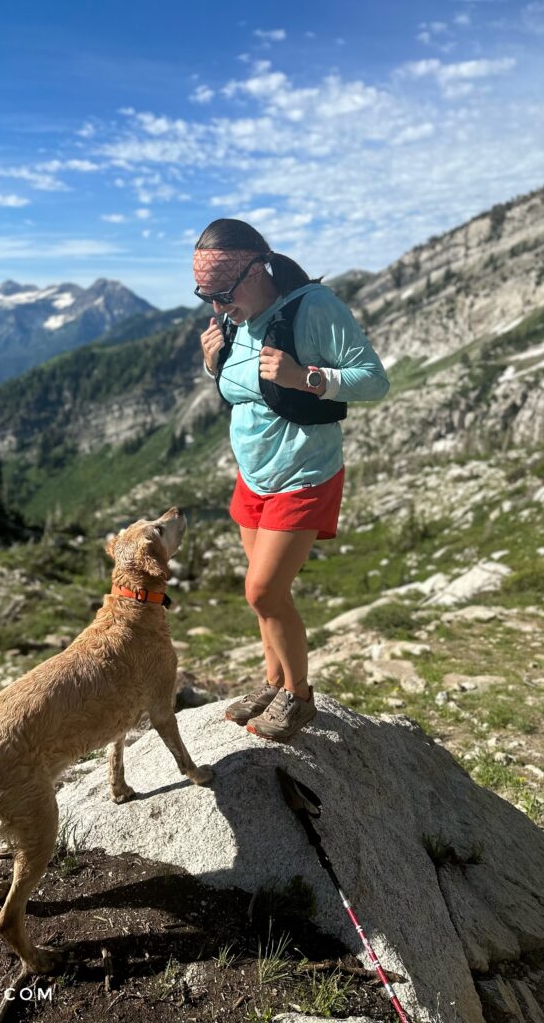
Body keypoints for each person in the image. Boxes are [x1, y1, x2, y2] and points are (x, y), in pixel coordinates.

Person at [193, 218, 389, 743]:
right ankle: (274, 683)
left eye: (223, 293)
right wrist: (215, 364)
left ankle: (300, 699)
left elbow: (374, 380)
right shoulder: (236, 320)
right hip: (253, 477)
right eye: (205, 296)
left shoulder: (314, 308)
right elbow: (245, 389)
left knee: (263, 592)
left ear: (257, 270)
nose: (216, 306)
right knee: (263, 595)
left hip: (304, 474)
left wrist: (306, 378)